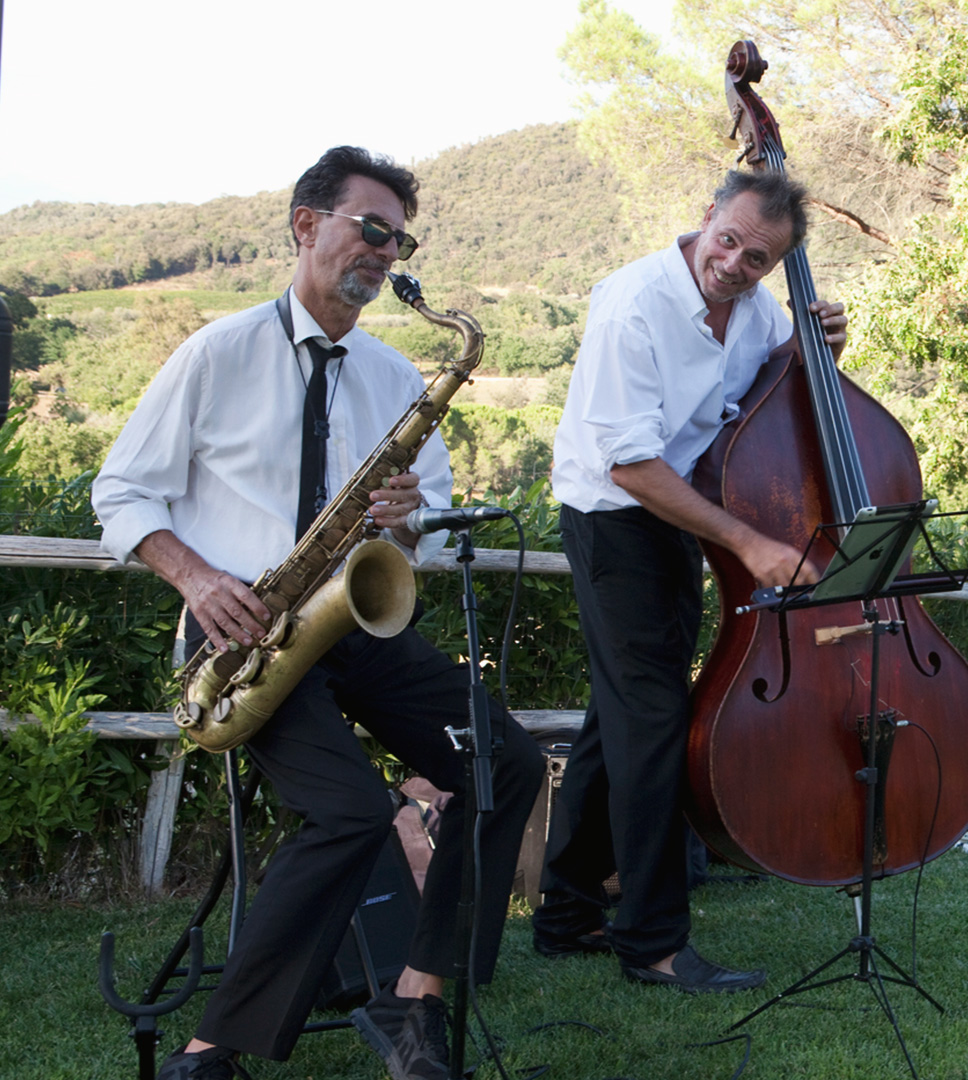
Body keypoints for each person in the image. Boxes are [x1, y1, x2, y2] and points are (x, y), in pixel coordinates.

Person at [92, 146, 540, 1079]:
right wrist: (199, 579)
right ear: (306, 224)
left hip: (353, 622)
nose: (384, 251)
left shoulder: (391, 377)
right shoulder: (217, 352)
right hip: (243, 634)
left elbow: (422, 531)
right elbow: (123, 493)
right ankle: (206, 1052)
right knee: (349, 813)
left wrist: (408, 523)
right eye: (369, 229)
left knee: (508, 760)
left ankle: (415, 995)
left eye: (398, 237)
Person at [534, 169, 843, 990]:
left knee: (623, 717)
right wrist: (749, 543)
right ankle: (653, 944)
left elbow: (765, 397)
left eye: (758, 256)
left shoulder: (757, 312)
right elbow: (632, 465)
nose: (735, 261)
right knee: (654, 722)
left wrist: (812, 352)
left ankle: (564, 914)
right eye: (730, 238)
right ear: (707, 216)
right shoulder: (633, 303)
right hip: (616, 517)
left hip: (677, 517)